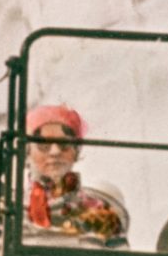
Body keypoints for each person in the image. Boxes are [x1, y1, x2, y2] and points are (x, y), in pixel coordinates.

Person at [23, 103, 125, 241]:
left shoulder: (101, 212)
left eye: (64, 144)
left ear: (76, 151)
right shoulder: (6, 210)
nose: (55, 151)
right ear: (27, 152)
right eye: (43, 145)